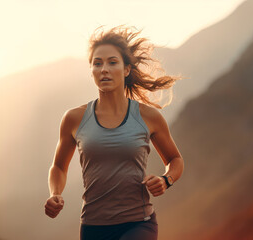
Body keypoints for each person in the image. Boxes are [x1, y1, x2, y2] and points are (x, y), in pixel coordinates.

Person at [44, 25, 184, 240]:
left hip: (139, 223)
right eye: (97, 64)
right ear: (91, 71)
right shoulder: (74, 118)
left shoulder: (149, 117)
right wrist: (55, 194)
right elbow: (59, 167)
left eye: (112, 62)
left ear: (126, 69)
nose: (104, 69)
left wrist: (166, 180)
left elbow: (175, 159)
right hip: (93, 226)